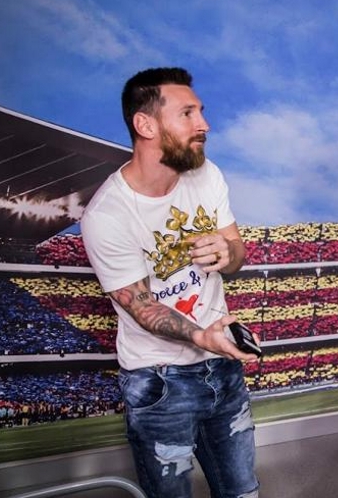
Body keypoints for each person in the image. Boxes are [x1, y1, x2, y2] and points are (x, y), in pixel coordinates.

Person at [81, 67, 260, 498]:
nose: (204, 124)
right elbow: (142, 307)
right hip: (158, 381)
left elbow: (237, 254)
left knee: (242, 491)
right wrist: (201, 335)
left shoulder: (207, 174)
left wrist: (228, 252)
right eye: (187, 113)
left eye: (201, 111)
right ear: (146, 125)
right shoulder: (107, 215)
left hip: (222, 366)